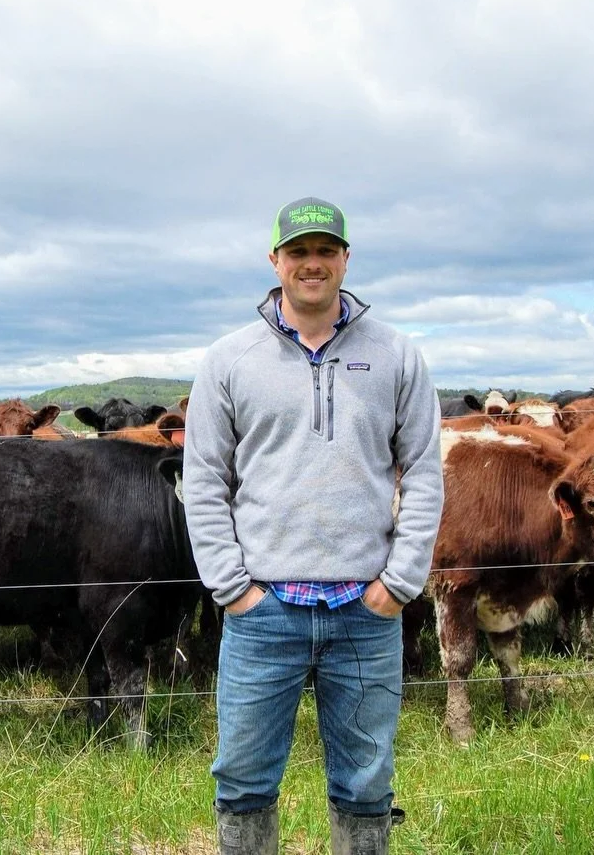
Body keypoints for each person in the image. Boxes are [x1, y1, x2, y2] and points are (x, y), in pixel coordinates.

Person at [183, 197, 445, 855]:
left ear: (346, 259)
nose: (312, 263)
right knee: (243, 779)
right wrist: (233, 588)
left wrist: (401, 581)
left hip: (365, 609)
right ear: (275, 260)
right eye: (298, 251)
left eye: (325, 251)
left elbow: (424, 473)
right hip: (262, 611)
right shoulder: (228, 359)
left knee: (365, 781)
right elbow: (206, 483)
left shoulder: (396, 355)